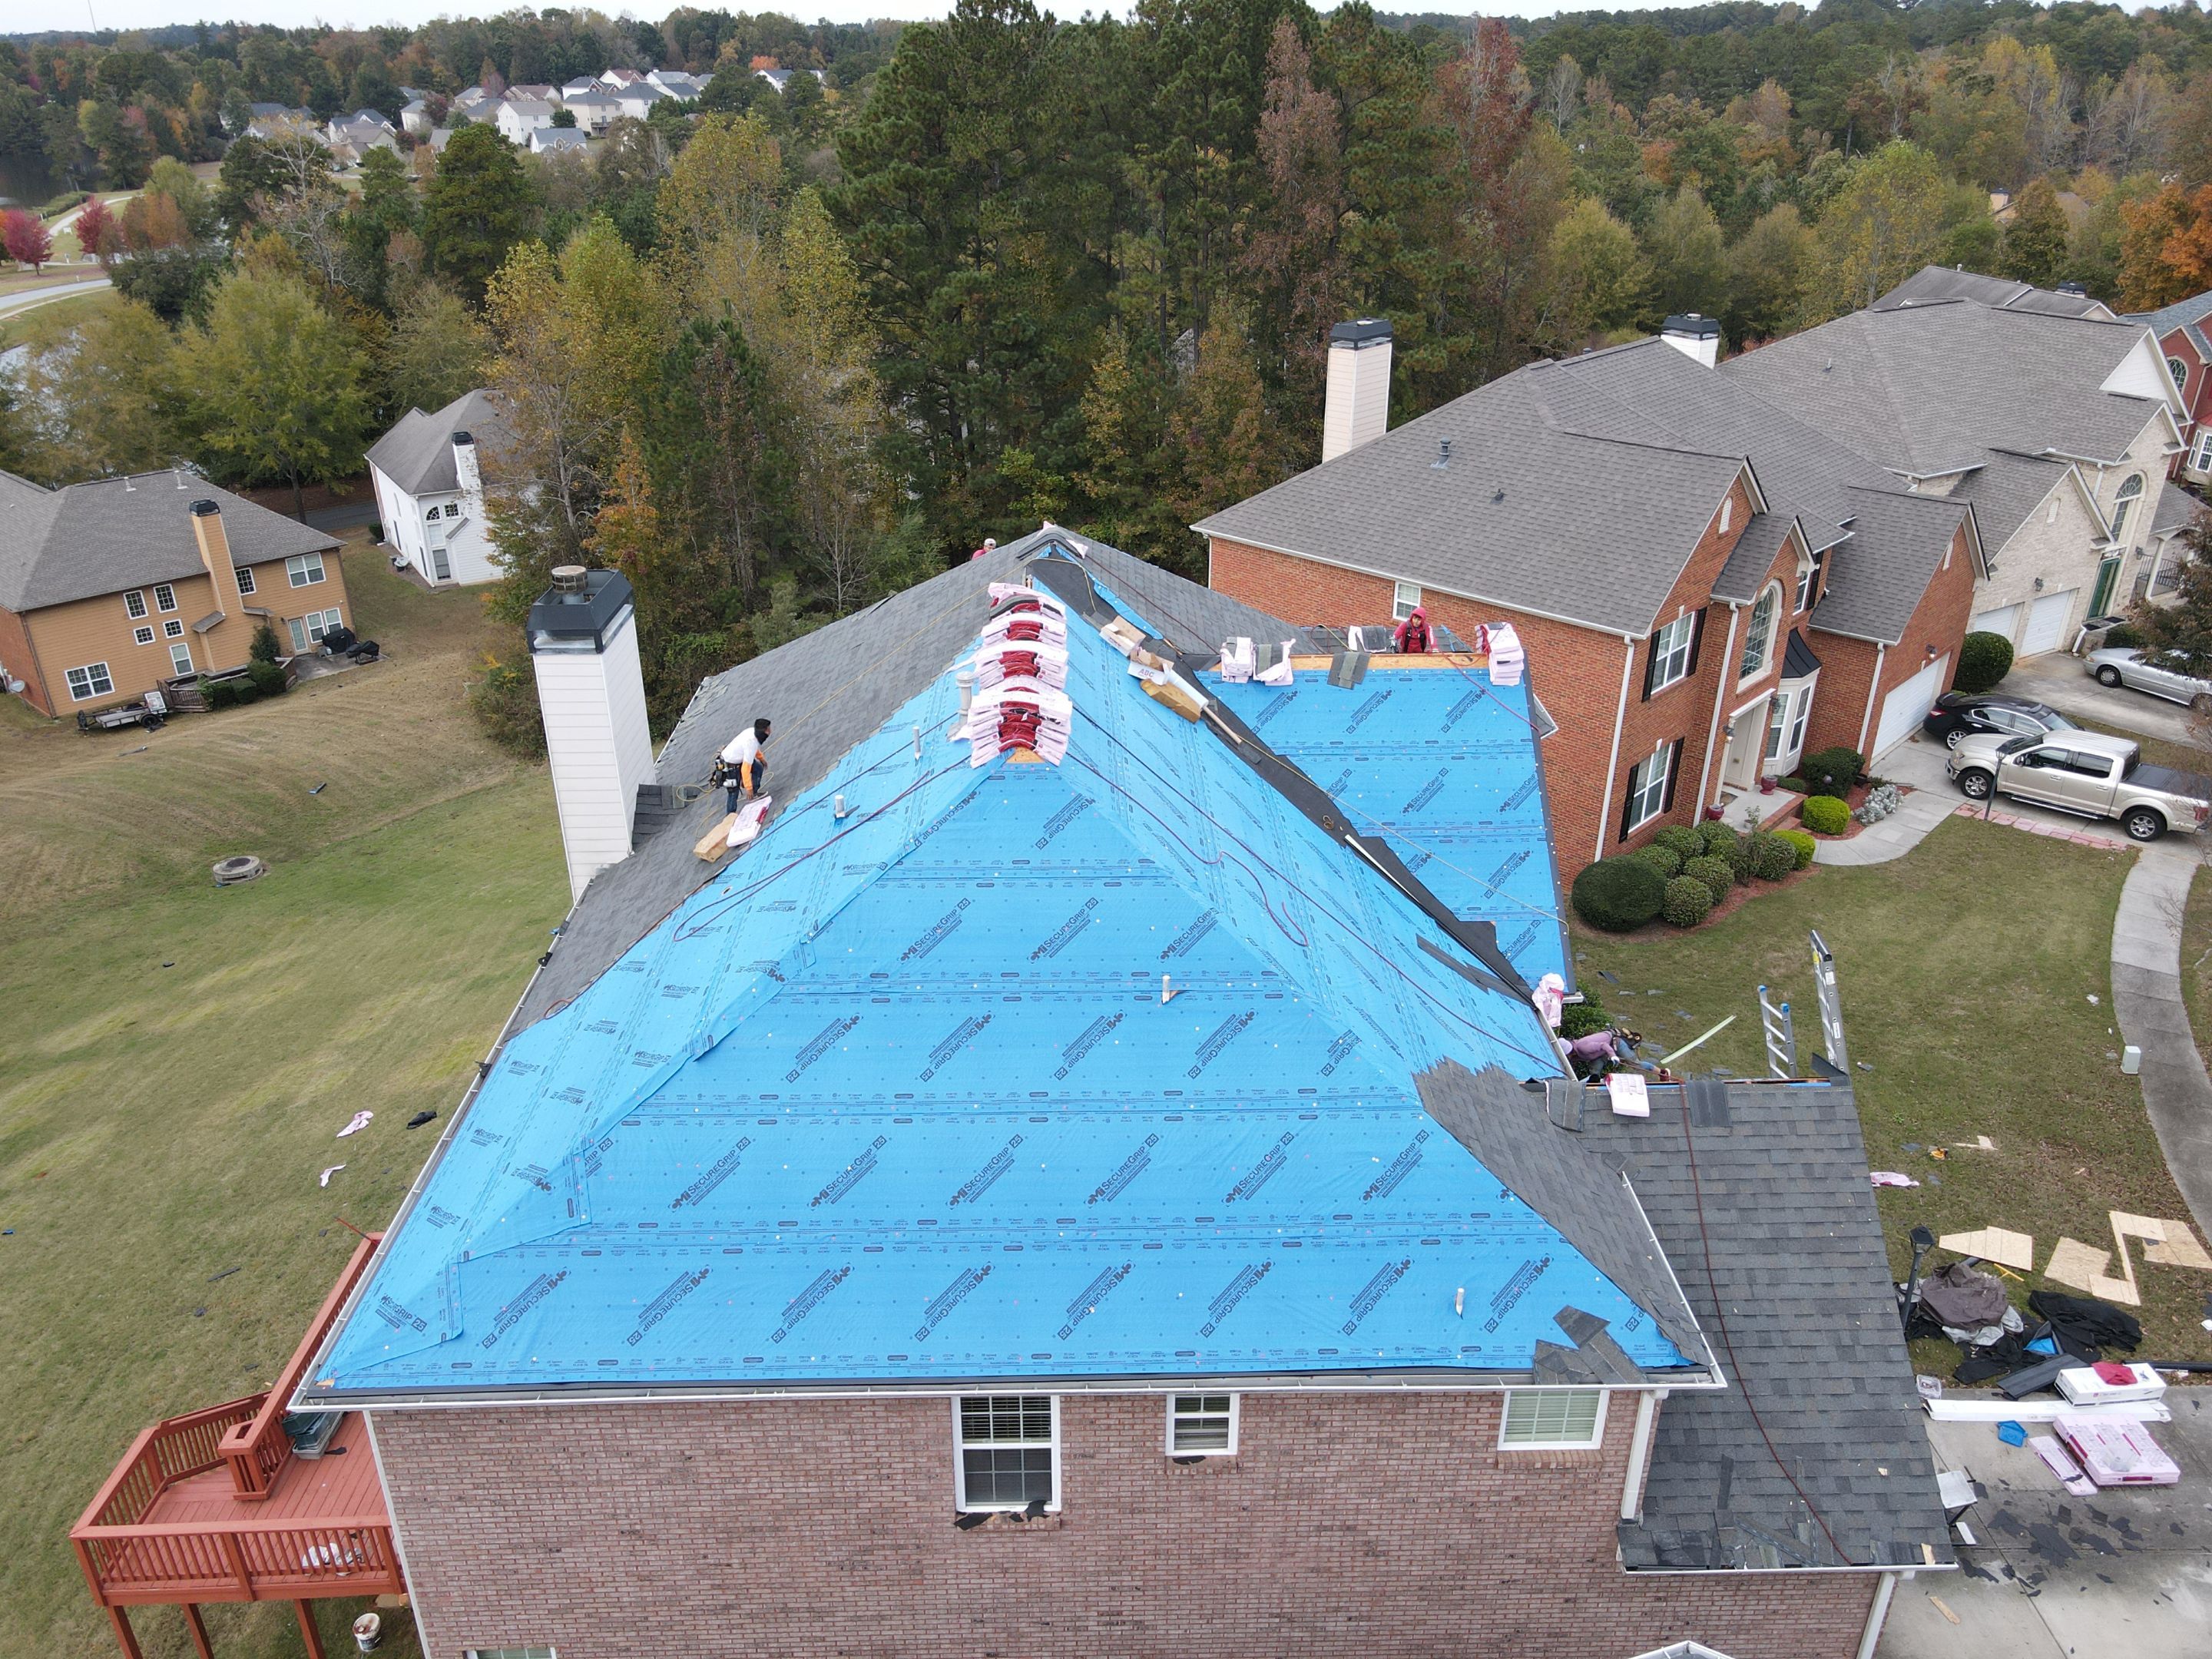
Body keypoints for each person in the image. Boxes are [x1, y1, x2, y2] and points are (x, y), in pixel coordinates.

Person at [720, 717, 770, 810]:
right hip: (729, 766)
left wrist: (761, 759)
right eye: (768, 730)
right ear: (762, 732)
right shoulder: (751, 742)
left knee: (758, 768)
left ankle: (754, 794)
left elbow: (754, 748)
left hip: (738, 759)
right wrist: (749, 788)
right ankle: (730, 816)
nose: (770, 732)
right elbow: (745, 769)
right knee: (733, 792)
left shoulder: (753, 733)